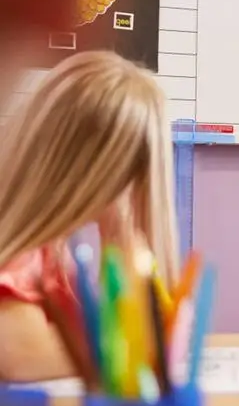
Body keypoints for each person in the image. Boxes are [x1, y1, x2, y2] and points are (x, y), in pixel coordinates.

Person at [0, 51, 180, 382]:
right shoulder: (20, 253)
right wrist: (140, 344)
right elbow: (23, 357)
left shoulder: (50, 247)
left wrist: (121, 234)